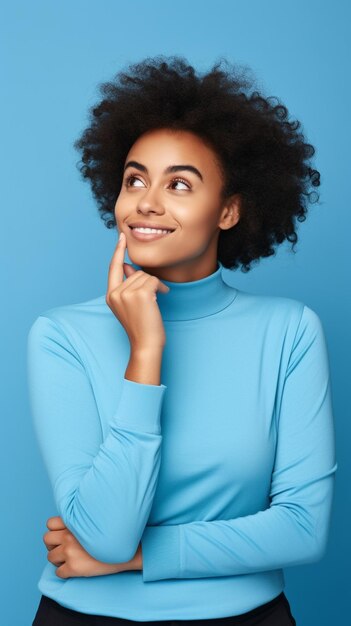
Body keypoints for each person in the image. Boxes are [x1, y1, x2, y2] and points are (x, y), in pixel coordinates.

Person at [27, 55, 337, 626]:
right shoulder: (61, 335)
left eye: (179, 184)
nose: (146, 202)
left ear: (228, 211)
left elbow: (301, 529)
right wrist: (145, 352)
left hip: (247, 617)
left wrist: (141, 560)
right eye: (135, 179)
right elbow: (107, 534)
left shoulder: (289, 331)